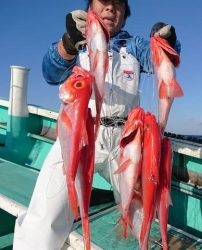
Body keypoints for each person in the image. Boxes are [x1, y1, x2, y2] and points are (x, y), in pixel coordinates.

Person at [13, 0, 181, 249]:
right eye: (104, 2)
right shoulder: (78, 44)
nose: (111, 9)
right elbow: (50, 73)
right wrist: (69, 41)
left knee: (140, 211)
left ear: (125, 14)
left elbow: (159, 60)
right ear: (90, 8)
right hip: (80, 132)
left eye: (118, 5)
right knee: (46, 214)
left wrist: (167, 42)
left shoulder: (134, 47)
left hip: (127, 139)